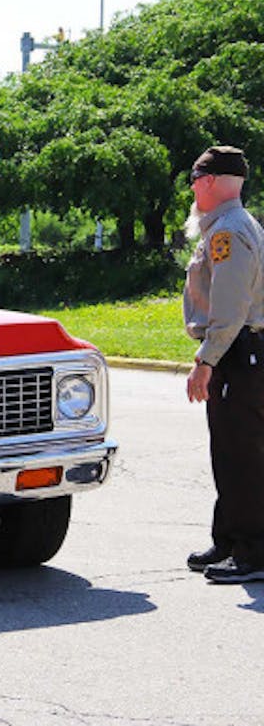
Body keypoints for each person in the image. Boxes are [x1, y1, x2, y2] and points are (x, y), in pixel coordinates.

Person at [181, 145, 264, 584]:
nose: (193, 189)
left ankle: (252, 553)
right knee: (229, 451)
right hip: (241, 351)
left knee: (242, 455)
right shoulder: (229, 226)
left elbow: (230, 309)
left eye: (195, 180)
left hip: (238, 353)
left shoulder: (227, 232)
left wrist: (205, 360)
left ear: (209, 181)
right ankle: (230, 541)